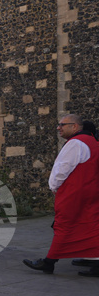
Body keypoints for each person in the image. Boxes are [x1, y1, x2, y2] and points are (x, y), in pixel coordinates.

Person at [24, 114, 99, 275]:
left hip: (74, 192)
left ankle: (49, 262)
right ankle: (94, 259)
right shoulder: (93, 142)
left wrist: (54, 186)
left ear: (75, 127)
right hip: (90, 191)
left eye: (62, 124)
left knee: (64, 224)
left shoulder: (75, 144)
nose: (58, 127)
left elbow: (61, 169)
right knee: (90, 225)